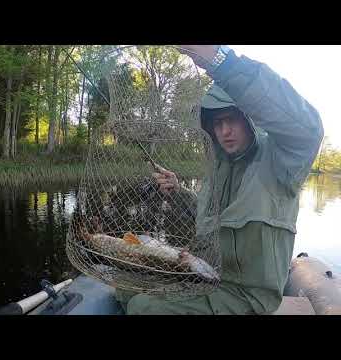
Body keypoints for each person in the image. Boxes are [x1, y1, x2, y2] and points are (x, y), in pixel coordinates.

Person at [116, 45, 324, 315]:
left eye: (231, 120)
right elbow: (214, 220)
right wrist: (178, 191)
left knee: (142, 307)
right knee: (124, 290)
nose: (224, 131)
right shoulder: (219, 167)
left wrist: (222, 61)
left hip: (247, 297)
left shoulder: (280, 161)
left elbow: (308, 130)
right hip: (207, 276)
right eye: (216, 124)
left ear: (248, 118)